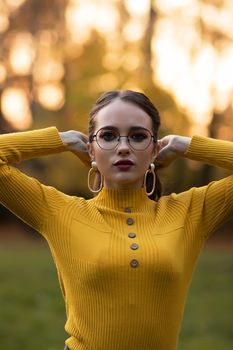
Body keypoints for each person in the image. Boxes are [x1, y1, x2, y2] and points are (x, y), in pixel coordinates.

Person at [0, 89, 232, 350]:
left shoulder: (190, 212)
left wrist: (187, 146)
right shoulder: (59, 212)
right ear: (91, 150)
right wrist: (61, 140)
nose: (123, 147)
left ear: (155, 150)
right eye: (108, 136)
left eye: (138, 136)